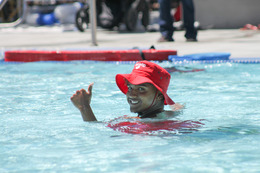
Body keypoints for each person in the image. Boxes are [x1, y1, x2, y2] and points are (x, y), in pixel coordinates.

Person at [71, 60, 183, 122]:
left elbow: (95, 132)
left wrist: (84, 107)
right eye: (130, 88)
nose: (132, 94)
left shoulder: (139, 125)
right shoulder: (170, 115)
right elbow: (178, 109)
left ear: (159, 96)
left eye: (141, 89)